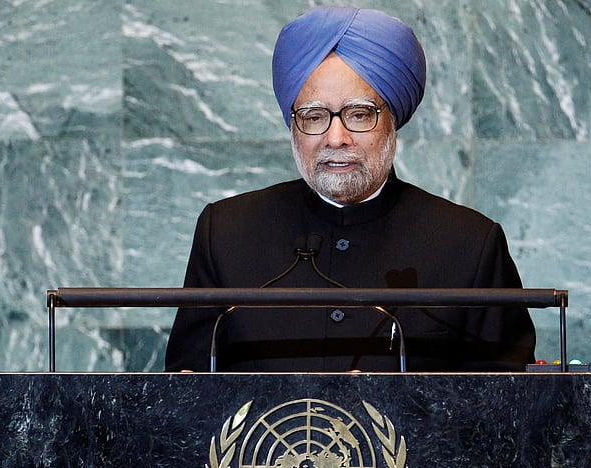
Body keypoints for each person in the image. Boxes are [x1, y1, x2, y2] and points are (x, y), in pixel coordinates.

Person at [165, 6, 535, 372]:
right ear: (292, 125)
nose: (335, 138)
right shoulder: (227, 232)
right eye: (314, 116)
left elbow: (507, 412)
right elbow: (182, 398)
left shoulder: (469, 244)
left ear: (392, 120)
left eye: (359, 114)